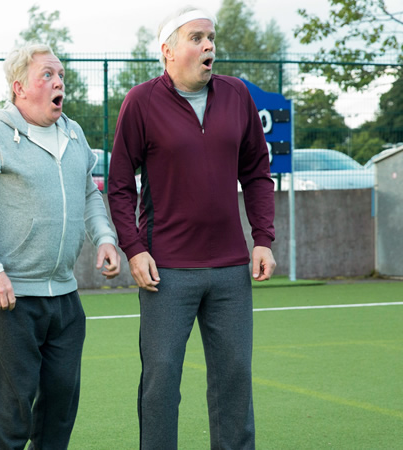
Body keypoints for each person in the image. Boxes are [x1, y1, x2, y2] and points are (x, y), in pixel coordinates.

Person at [107, 6, 277, 449]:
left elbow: (257, 172)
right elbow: (120, 185)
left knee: (234, 379)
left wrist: (263, 238)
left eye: (211, 38)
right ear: (168, 51)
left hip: (230, 269)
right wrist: (133, 248)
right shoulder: (140, 102)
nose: (209, 47)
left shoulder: (238, 95)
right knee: (161, 381)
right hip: (167, 271)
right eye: (197, 38)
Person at [0, 43, 121, 450]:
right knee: (13, 415)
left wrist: (105, 238)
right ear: (19, 87)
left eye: (60, 75)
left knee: (60, 409)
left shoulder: (74, 133)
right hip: (10, 298)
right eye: (47, 75)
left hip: (64, 296)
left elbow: (90, 194)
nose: (59, 82)